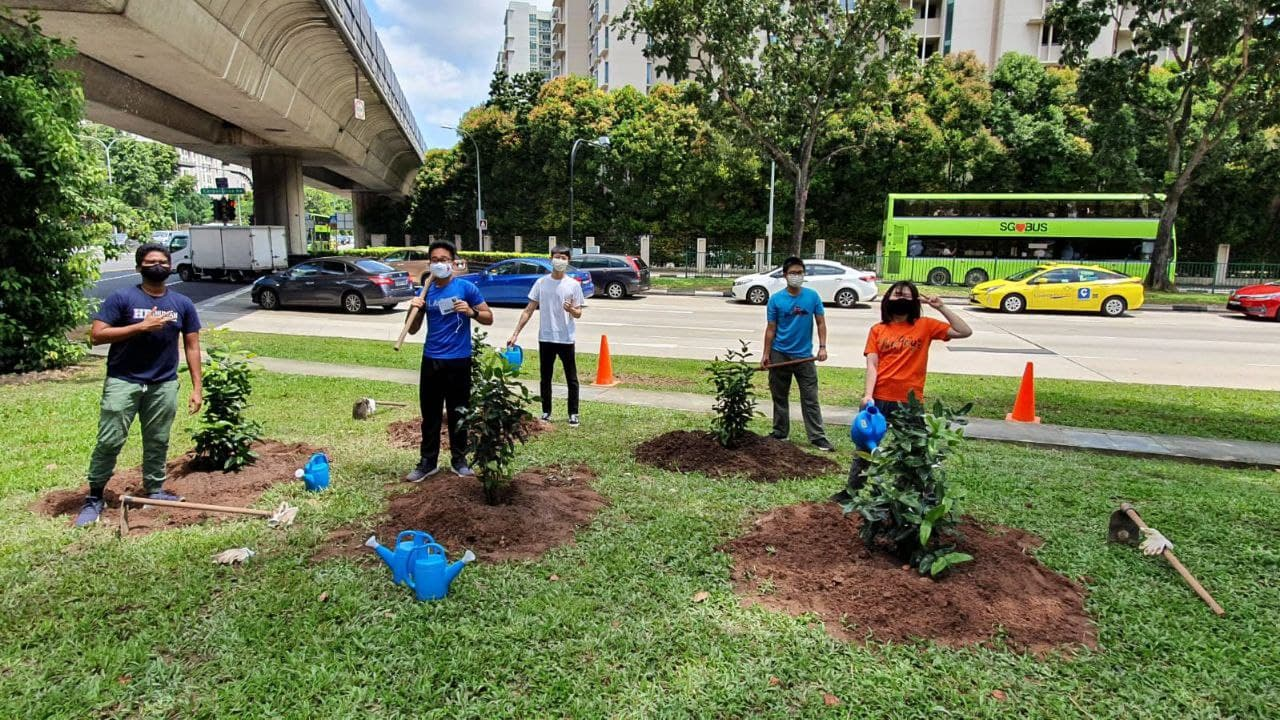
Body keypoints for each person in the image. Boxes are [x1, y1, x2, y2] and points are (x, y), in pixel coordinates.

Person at [75, 244, 203, 526]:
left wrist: (197, 387)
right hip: (124, 381)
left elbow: (192, 346)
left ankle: (155, 490)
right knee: (110, 439)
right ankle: (95, 496)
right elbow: (96, 335)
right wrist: (139, 328)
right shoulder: (122, 297)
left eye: (161, 261)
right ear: (138, 267)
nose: (156, 265)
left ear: (170, 267)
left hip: (163, 383)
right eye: (149, 262)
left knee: (158, 440)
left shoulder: (181, 304)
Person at [832, 280, 972, 502]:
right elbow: (872, 365)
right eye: (897, 295)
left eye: (907, 296)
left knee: (915, 451)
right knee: (865, 448)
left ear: (915, 301)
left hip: (910, 403)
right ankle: (852, 492)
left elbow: (964, 331)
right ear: (888, 299)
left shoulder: (925, 325)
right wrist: (867, 395)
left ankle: (920, 496)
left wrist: (941, 307)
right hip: (878, 400)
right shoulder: (878, 330)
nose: (901, 299)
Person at [403, 241, 494, 482]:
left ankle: (459, 460)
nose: (440, 263)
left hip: (459, 360)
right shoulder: (425, 291)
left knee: (458, 413)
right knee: (430, 414)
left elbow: (488, 317)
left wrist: (471, 312)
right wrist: (414, 309)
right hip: (432, 359)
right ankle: (427, 462)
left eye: (444, 259)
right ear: (430, 264)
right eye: (435, 259)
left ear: (453, 262)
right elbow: (411, 330)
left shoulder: (466, 288)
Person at [760, 257, 835, 452]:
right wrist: (766, 354)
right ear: (785, 275)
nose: (797, 276)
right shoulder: (776, 299)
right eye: (793, 273)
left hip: (804, 357)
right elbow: (770, 329)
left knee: (810, 397)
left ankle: (818, 437)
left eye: (800, 273)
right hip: (780, 354)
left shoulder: (812, 296)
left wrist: (823, 347)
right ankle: (780, 432)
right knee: (779, 396)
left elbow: (820, 323)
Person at [507, 245, 585, 427]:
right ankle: (546, 411)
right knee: (545, 377)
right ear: (551, 259)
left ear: (568, 261)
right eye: (557, 257)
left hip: (566, 338)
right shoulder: (541, 283)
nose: (560, 261)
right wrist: (515, 333)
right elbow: (528, 310)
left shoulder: (573, 285)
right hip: (546, 338)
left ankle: (573, 413)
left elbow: (579, 313)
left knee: (571, 378)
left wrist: (571, 309)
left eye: (564, 258)